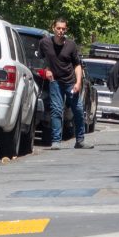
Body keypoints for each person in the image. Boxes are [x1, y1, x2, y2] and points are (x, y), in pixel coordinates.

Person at [37, 17, 93, 150]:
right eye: (58, 28)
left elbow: (77, 65)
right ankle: (56, 141)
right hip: (55, 81)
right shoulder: (44, 43)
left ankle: (80, 140)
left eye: (63, 29)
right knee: (56, 110)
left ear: (66, 30)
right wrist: (46, 70)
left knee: (78, 109)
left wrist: (78, 82)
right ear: (53, 28)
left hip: (70, 82)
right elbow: (40, 59)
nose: (61, 31)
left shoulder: (71, 45)